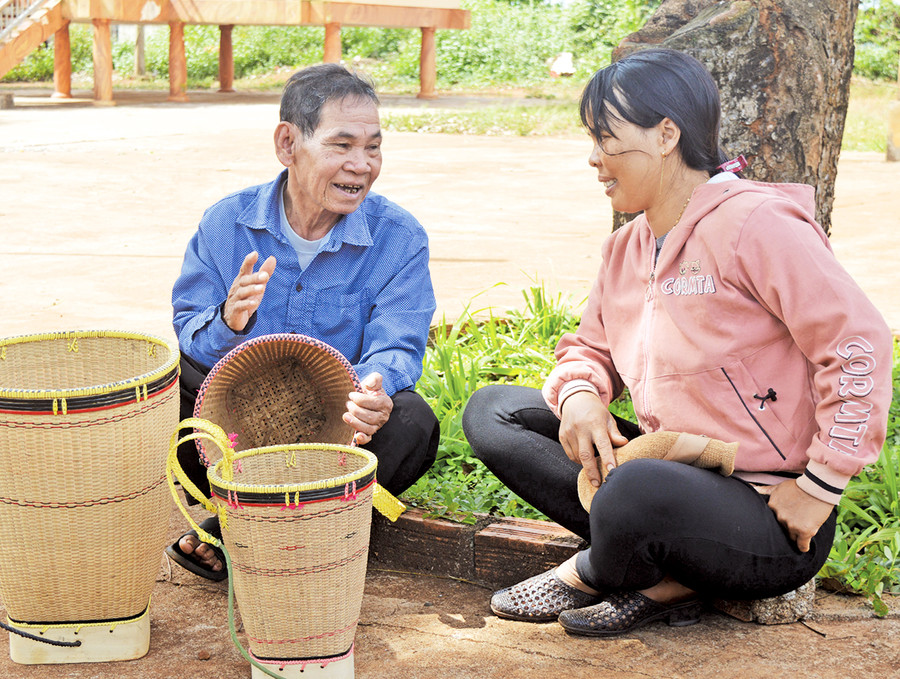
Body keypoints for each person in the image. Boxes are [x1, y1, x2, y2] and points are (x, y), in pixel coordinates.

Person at [462, 49, 893, 636]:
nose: (594, 159)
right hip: (670, 473)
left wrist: (821, 486)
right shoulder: (628, 247)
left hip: (769, 512)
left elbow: (858, 343)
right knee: (495, 412)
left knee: (637, 490)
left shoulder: (756, 225)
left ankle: (595, 571)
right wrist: (582, 397)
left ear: (666, 134)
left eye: (608, 139)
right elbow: (589, 349)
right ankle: (662, 578)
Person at [166, 64, 440, 580]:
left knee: (412, 422)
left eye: (373, 147)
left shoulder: (399, 237)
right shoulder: (226, 223)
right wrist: (228, 319)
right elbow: (190, 337)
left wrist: (372, 389)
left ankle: (247, 532)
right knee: (167, 390)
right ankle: (304, 529)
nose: (361, 165)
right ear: (288, 144)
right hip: (239, 424)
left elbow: (398, 344)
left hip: (338, 435)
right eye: (342, 145)